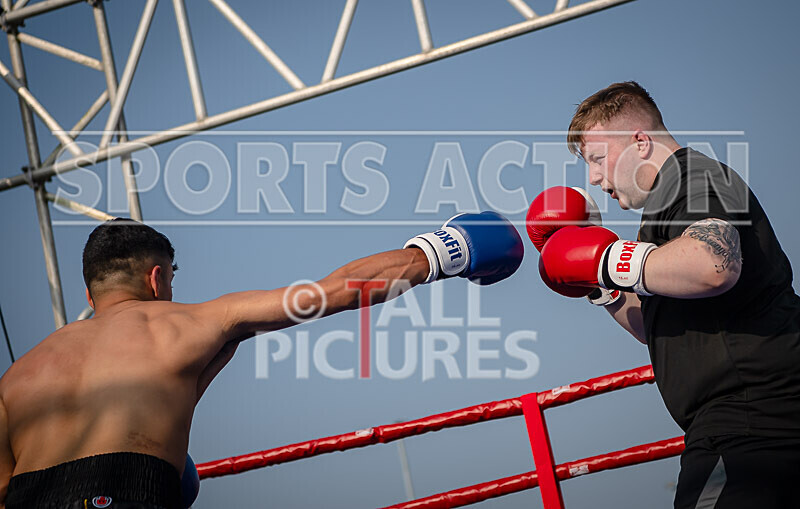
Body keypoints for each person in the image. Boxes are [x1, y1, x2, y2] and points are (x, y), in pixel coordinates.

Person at [0, 213, 524, 509]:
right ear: (157, 278)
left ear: (90, 291)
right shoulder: (190, 321)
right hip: (127, 492)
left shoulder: (19, 374)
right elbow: (332, 293)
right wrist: (443, 251)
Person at [528, 81, 800, 508]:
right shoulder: (663, 215)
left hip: (753, 423)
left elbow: (714, 264)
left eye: (598, 158)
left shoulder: (693, 177)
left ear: (639, 142)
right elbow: (651, 325)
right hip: (747, 422)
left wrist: (603, 257)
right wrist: (595, 282)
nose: (594, 178)